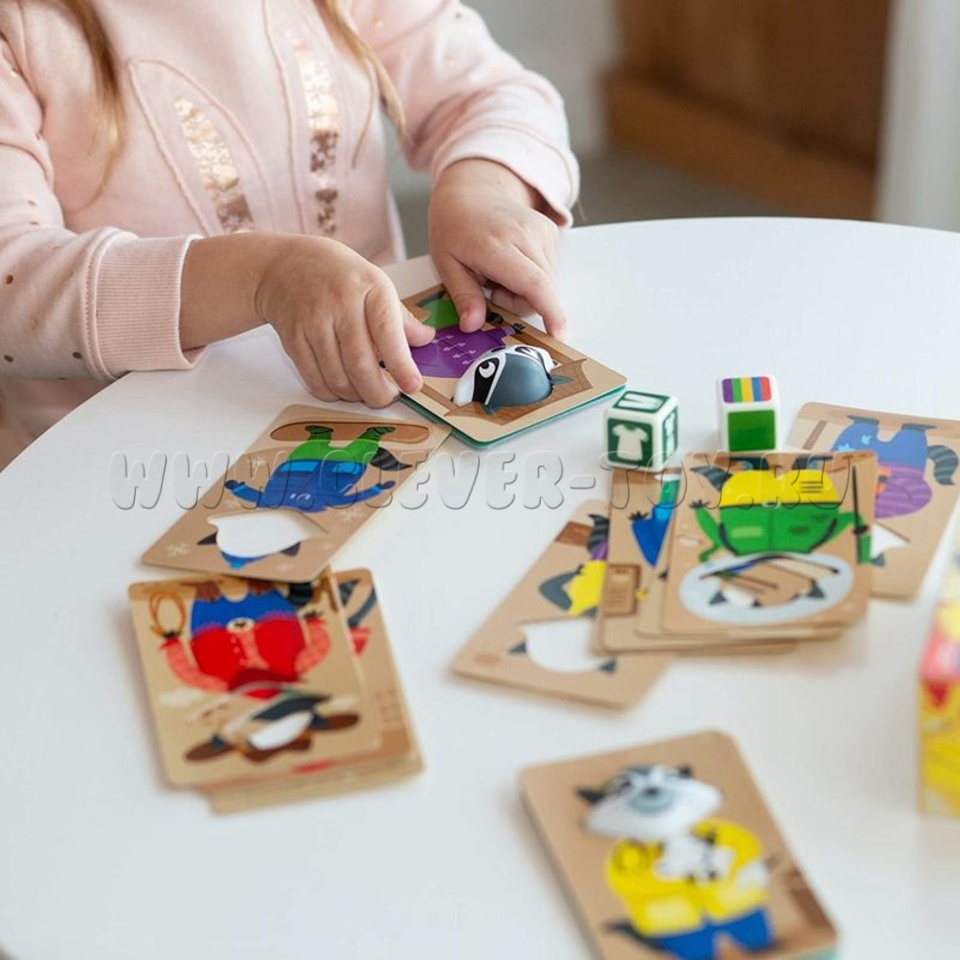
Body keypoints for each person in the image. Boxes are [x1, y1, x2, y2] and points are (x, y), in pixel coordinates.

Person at [0, 0, 578, 466]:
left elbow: (488, 94)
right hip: (119, 465)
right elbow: (12, 276)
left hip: (380, 421)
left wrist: (484, 189)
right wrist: (262, 279)